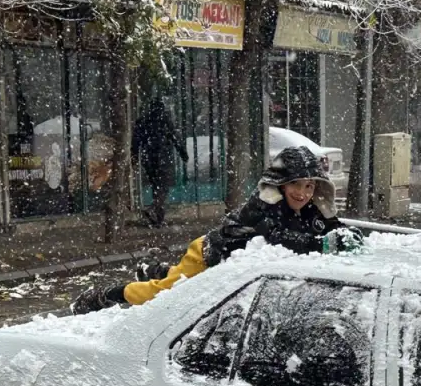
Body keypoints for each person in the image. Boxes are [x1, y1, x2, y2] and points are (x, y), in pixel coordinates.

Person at [71, 146, 362, 314]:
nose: (302, 193)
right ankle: (109, 294)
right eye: (296, 185)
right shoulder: (263, 206)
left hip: (228, 265)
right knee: (166, 293)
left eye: (309, 186)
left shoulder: (311, 208)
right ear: (280, 185)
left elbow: (331, 227)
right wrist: (321, 246)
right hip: (209, 254)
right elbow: (278, 237)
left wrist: (346, 235)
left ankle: (157, 268)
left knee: (175, 277)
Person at [132, 97, 187, 227]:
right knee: (163, 187)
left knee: (156, 185)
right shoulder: (164, 119)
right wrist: (182, 152)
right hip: (163, 157)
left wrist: (135, 155)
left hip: (149, 157)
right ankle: (154, 210)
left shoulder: (143, 120)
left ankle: (158, 218)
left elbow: (136, 140)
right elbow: (174, 136)